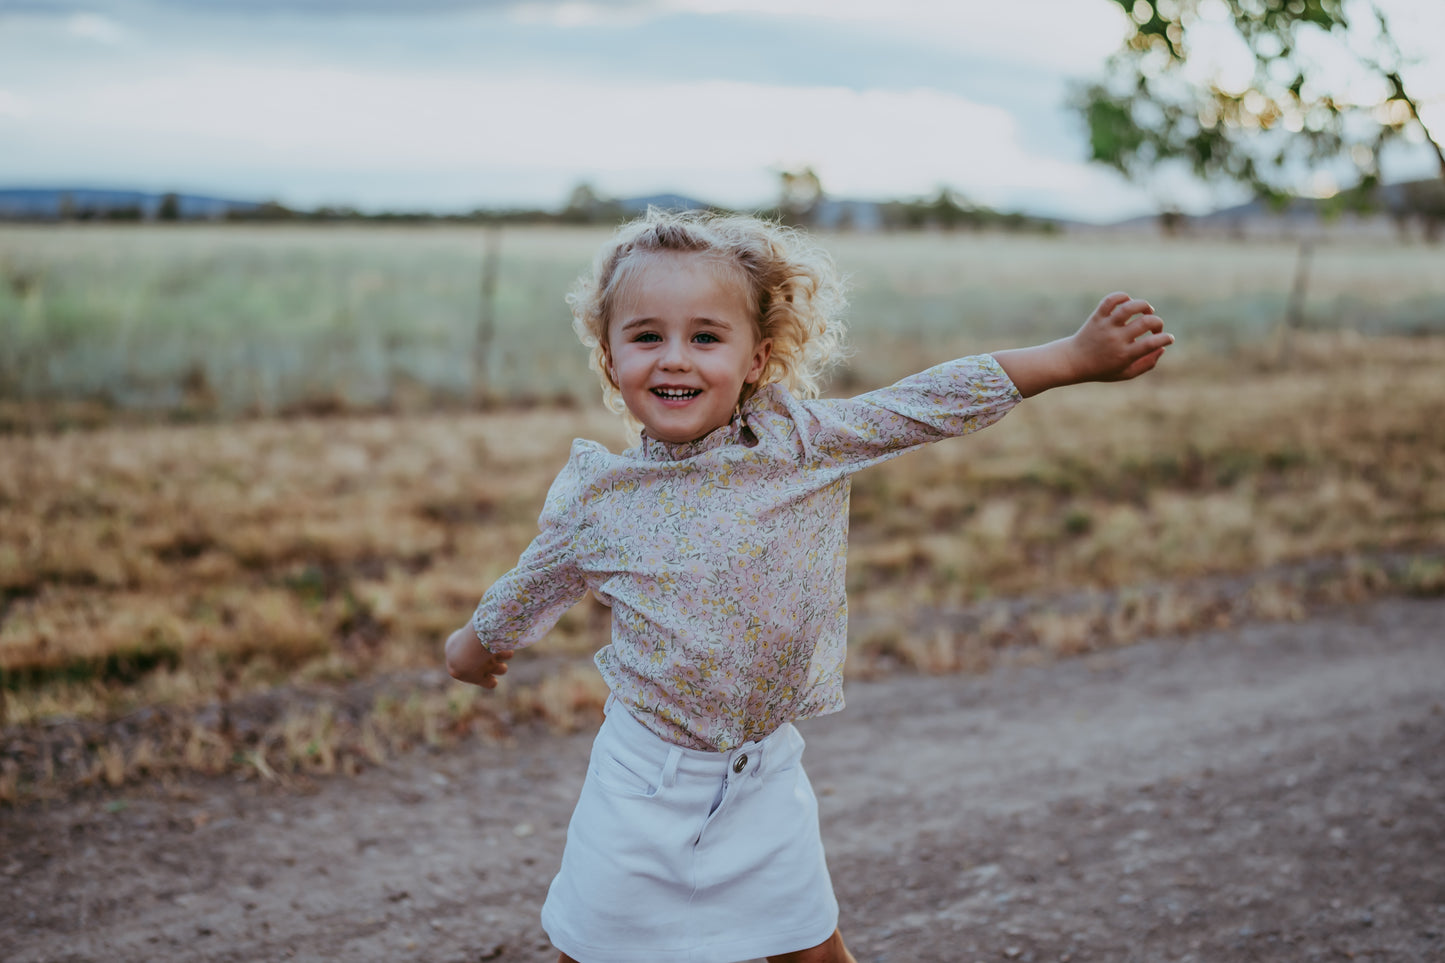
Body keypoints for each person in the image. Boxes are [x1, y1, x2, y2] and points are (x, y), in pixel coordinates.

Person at [445, 208, 1173, 963]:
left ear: (756, 357)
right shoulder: (601, 500)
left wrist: (1069, 357)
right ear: (608, 357)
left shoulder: (801, 445)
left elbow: (923, 406)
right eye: (645, 336)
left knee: (810, 950)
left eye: (704, 336)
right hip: (641, 785)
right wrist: (473, 645)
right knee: (593, 951)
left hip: (761, 775)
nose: (673, 359)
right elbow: (528, 585)